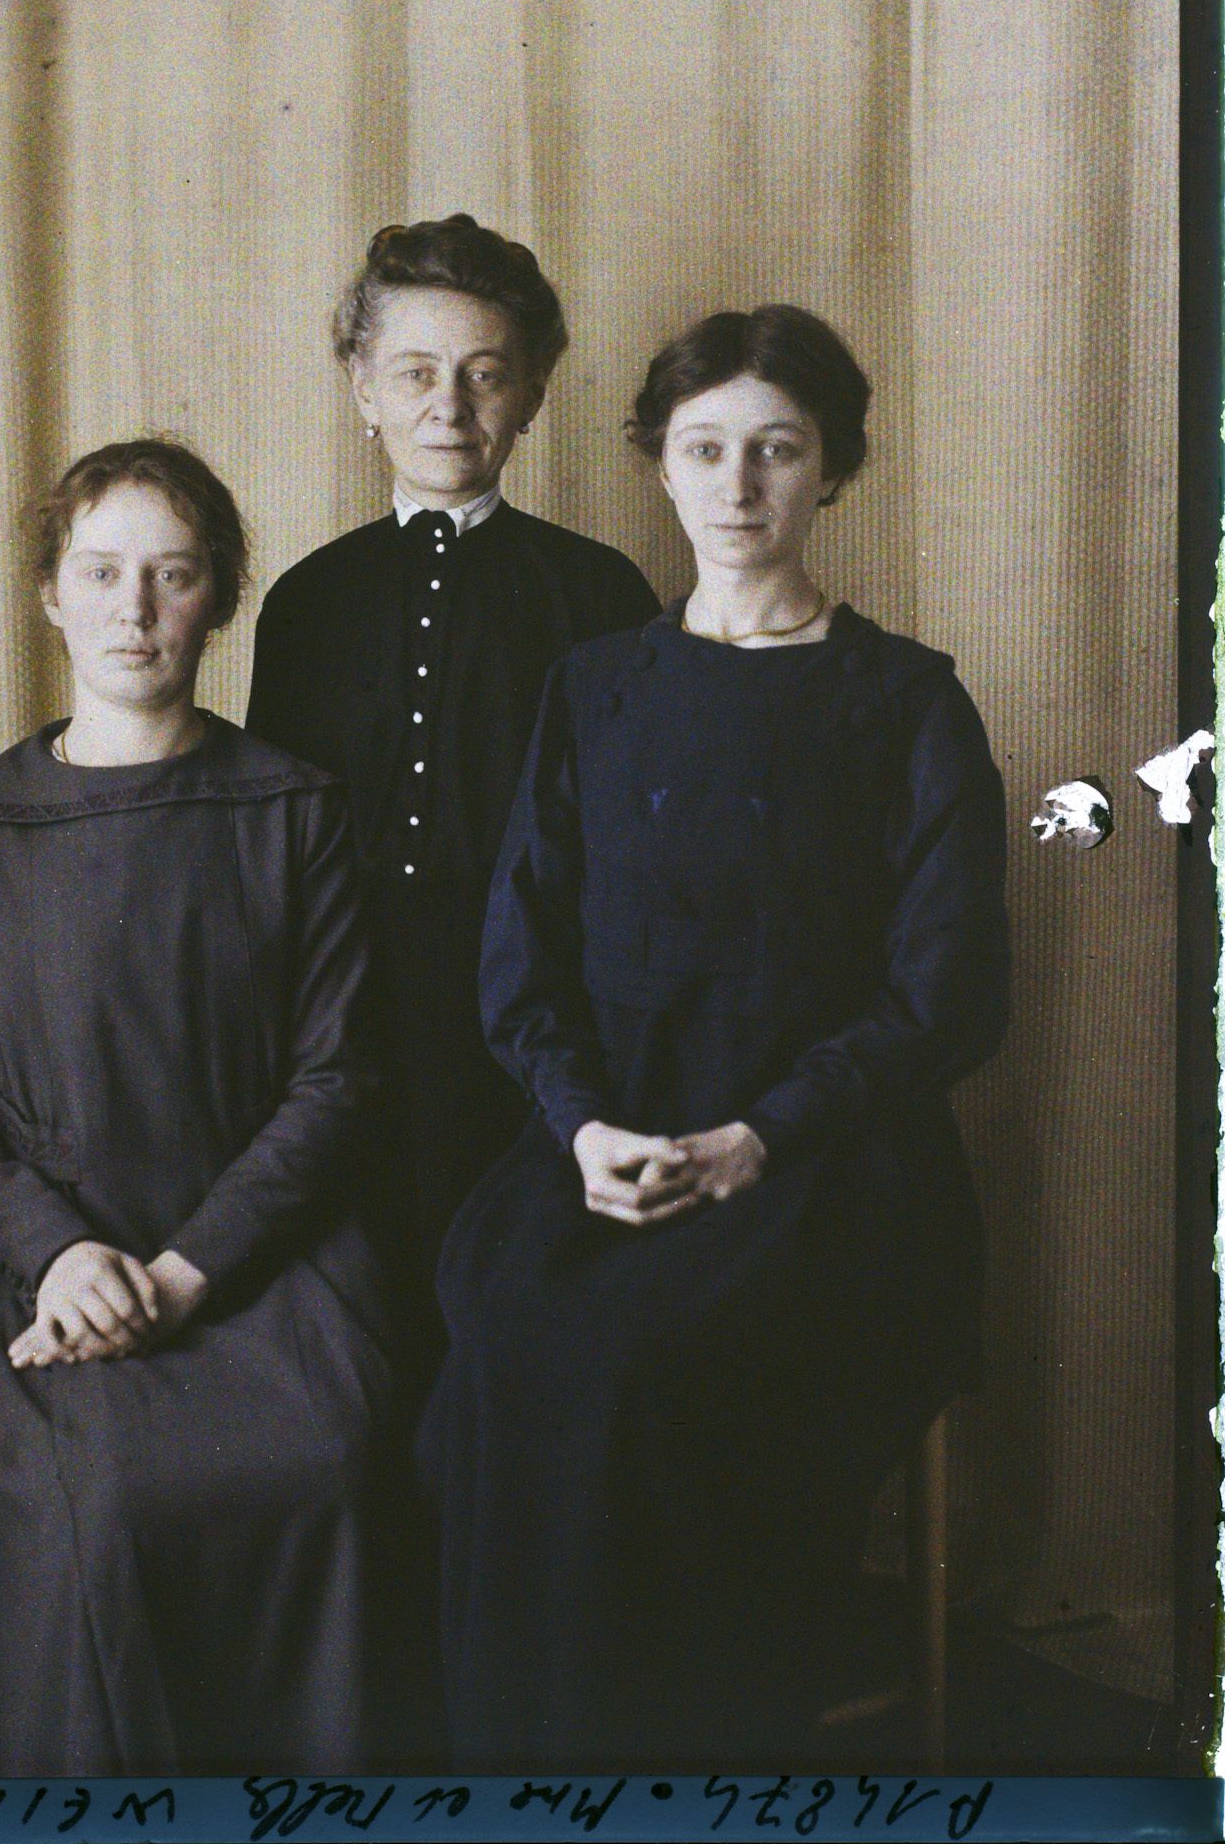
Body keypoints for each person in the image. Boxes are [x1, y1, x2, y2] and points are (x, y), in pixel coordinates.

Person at [418, 305, 1011, 1771]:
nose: (737, 488)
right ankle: (530, 1768)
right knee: (493, 1352)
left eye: (775, 452)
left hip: (830, 1178)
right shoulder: (593, 691)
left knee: (627, 1378)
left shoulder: (905, 703)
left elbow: (944, 997)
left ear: (830, 473)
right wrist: (579, 1131)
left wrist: (762, 1137)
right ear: (658, 471)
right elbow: (519, 969)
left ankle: (680, 1768)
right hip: (606, 1152)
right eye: (704, 451)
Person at [0, 439, 392, 1776]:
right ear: (49, 593)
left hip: (254, 1259)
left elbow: (335, 1080)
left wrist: (184, 1272)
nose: (134, 610)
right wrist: (58, 1252)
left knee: (326, 1461)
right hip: (33, 1271)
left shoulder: (293, 811)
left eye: (172, 578)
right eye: (101, 573)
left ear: (217, 599)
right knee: (102, 1505)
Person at [244, 214, 660, 1365]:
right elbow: (274, 838)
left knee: (520, 1303)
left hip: (537, 1009)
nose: (450, 407)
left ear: (531, 393)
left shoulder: (596, 590)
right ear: (361, 388)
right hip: (351, 1005)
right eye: (416, 374)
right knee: (370, 1307)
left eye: (486, 376)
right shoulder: (310, 599)